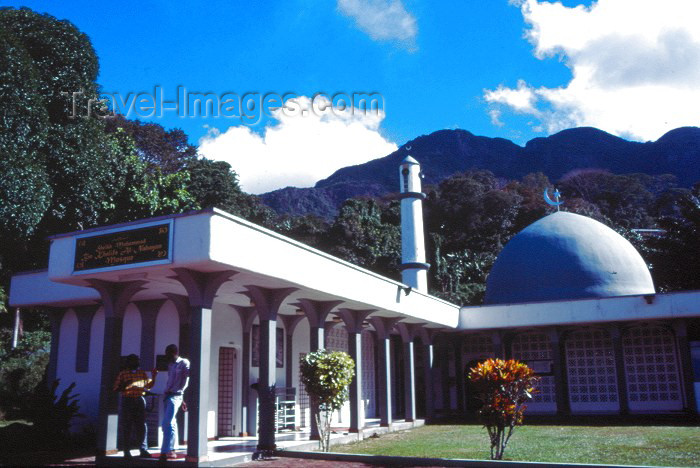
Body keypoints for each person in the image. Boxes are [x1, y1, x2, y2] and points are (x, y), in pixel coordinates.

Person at [112, 354, 157, 458]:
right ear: (129, 362)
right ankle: (127, 451)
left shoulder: (142, 373)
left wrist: (154, 376)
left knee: (142, 426)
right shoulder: (123, 374)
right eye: (134, 361)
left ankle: (143, 449)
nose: (137, 363)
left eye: (138, 360)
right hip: (128, 400)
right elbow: (116, 389)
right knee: (127, 426)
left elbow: (148, 386)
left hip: (140, 400)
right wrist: (125, 385)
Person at [160, 344, 190, 461]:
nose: (166, 356)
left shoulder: (184, 362)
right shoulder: (170, 365)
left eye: (167, 353)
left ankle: (165, 451)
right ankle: (172, 449)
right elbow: (170, 381)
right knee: (171, 423)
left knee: (168, 423)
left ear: (173, 352)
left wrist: (181, 396)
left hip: (176, 396)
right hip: (168, 395)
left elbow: (186, 380)